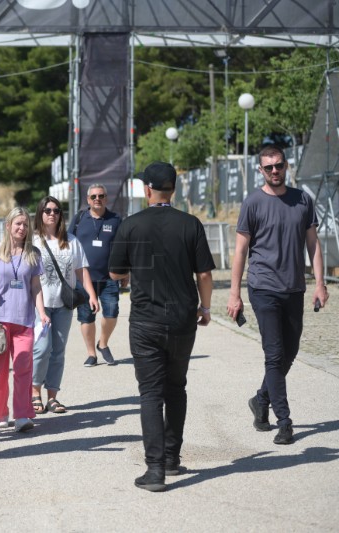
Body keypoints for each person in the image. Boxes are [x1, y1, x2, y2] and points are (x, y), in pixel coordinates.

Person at [109, 162, 214, 492]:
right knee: (176, 388)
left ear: (147, 190)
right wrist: (206, 307)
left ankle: (155, 470)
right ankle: (171, 458)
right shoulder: (190, 225)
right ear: (174, 189)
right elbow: (205, 275)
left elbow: (115, 273)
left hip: (145, 321)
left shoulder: (131, 225)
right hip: (183, 319)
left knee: (151, 393)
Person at [227, 145, 329, 446]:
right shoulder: (253, 203)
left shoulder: (302, 200)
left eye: (279, 165)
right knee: (274, 354)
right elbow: (240, 251)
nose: (275, 171)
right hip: (263, 287)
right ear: (260, 170)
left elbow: (313, 244)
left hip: (294, 288)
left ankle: (261, 400)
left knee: (290, 351)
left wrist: (320, 283)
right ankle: (284, 421)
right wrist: (234, 294)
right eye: (268, 167)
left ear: (287, 166)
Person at [0, 207, 50, 432]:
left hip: (24, 320)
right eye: (18, 224)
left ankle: (22, 415)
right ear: (8, 225)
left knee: (23, 369)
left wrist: (42, 311)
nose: (22, 228)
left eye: (25, 224)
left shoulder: (33, 254)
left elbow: (35, 286)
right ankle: (0, 414)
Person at [32, 196, 97, 415]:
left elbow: (82, 269)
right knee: (41, 350)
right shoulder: (33, 241)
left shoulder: (71, 240)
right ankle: (34, 393)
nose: (52, 214)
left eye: (57, 210)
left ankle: (53, 397)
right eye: (48, 210)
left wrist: (91, 294)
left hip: (64, 304)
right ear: (40, 213)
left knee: (58, 351)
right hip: (39, 304)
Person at [70, 184, 124, 367]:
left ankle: (103, 343)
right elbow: (67, 244)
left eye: (101, 195)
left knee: (112, 313)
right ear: (88, 200)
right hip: (83, 278)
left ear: (106, 198)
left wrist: (125, 272)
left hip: (109, 277)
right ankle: (91, 354)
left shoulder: (115, 219)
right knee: (86, 317)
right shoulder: (79, 219)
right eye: (93, 196)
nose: (97, 199)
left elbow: (124, 247)